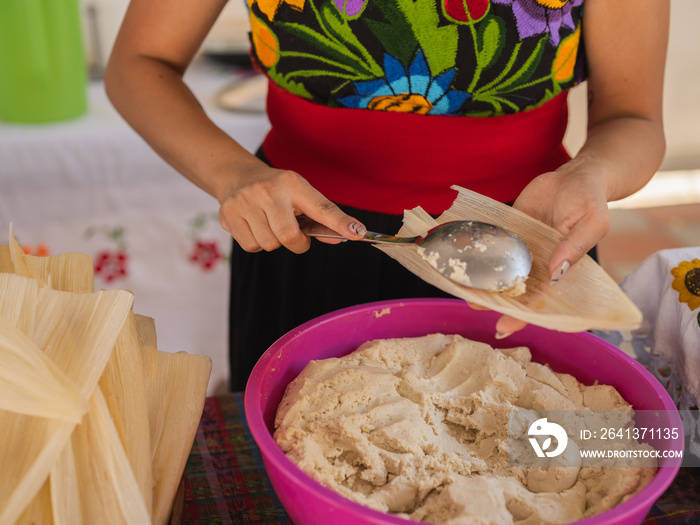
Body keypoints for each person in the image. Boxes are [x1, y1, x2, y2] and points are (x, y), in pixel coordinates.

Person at [105, 0, 670, 391]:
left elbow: (633, 117)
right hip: (308, 243)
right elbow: (139, 62)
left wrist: (592, 176)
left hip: (526, 258)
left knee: (535, 476)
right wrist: (234, 174)